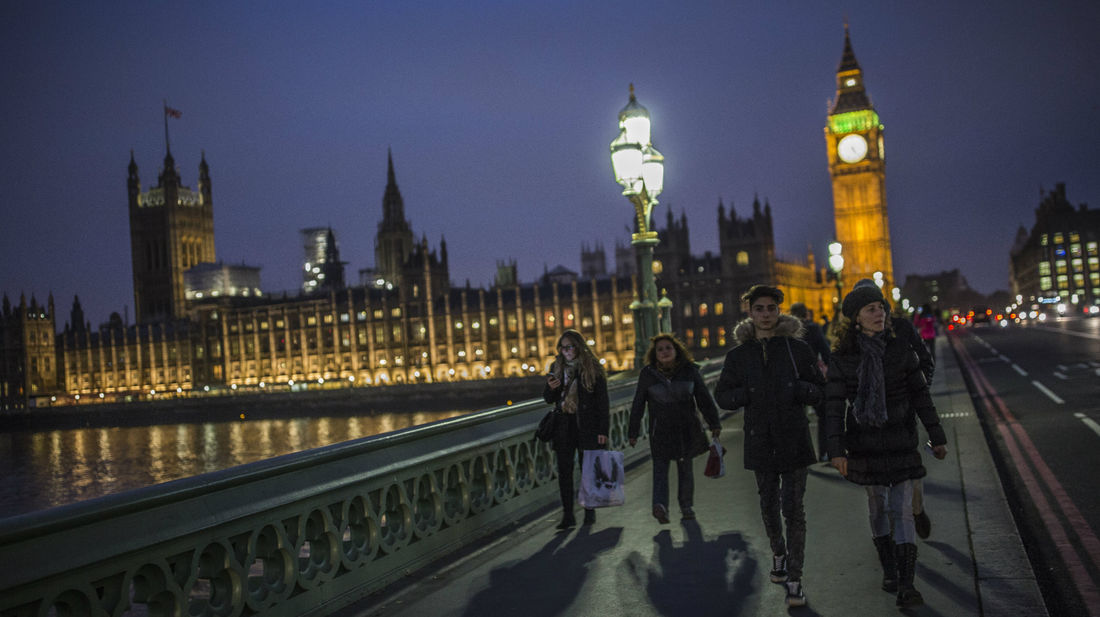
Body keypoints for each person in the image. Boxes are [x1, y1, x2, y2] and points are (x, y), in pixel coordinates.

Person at [825, 284, 948, 607]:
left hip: (901, 437)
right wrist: (835, 450)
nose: (879, 313)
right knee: (877, 505)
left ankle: (907, 584)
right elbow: (835, 406)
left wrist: (937, 436)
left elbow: (922, 395)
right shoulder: (843, 358)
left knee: (902, 509)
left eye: (881, 307)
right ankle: (890, 569)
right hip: (864, 441)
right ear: (855, 319)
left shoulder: (901, 349)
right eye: (871, 309)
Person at [715, 285, 825, 608]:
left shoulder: (797, 349)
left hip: (794, 438)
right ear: (750, 312)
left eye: (771, 309)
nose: (765, 314)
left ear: (779, 311)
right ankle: (778, 551)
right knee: (768, 505)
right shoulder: (738, 356)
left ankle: (794, 578)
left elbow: (818, 389)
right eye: (759, 308)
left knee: (793, 509)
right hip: (759, 440)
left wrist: (796, 389)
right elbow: (722, 395)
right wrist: (746, 394)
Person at [851, 279, 935, 539]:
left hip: (901, 415)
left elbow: (925, 362)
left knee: (911, 477)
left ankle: (917, 510)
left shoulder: (901, 327)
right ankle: (889, 542)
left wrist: (916, 391)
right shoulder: (850, 338)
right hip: (869, 422)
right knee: (876, 491)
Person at [628, 334, 722, 524]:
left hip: (685, 429)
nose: (664, 352)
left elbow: (703, 398)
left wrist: (714, 423)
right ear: (654, 354)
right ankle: (660, 506)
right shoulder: (648, 374)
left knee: (685, 468)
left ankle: (686, 506)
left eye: (668, 348)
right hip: (660, 430)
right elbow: (638, 403)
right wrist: (633, 432)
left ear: (676, 350)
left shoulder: (690, 371)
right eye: (660, 349)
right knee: (660, 469)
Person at [543, 329, 610, 530]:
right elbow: (548, 398)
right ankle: (568, 515)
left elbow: (602, 403)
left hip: (586, 424)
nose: (566, 351)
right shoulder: (556, 367)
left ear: (578, 346)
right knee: (565, 471)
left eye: (570, 346)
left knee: (587, 470)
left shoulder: (592, 368)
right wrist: (552, 388)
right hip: (564, 424)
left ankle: (589, 512)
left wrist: (603, 431)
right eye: (563, 347)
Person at [789, 302, 831, 462]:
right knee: (824, 414)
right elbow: (825, 351)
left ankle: (799, 454)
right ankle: (824, 452)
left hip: (792, 379)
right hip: (812, 378)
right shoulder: (813, 329)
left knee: (797, 417)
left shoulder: (786, 333)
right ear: (806, 314)